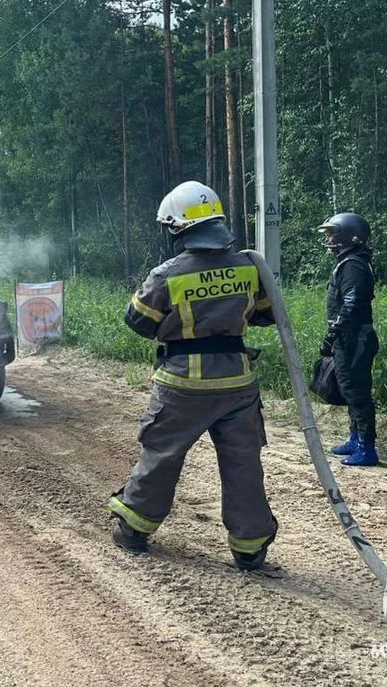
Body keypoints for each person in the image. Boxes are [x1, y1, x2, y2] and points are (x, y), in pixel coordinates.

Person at [106, 181, 279, 570]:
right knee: (242, 462)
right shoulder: (249, 267)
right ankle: (250, 546)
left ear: (178, 228)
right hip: (238, 383)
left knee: (163, 454)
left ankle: (134, 527)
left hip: (182, 384)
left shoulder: (167, 273)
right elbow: (268, 315)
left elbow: (138, 321)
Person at [316, 212, 379, 467]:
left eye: (332, 233)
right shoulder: (349, 261)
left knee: (357, 391)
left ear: (347, 235)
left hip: (355, 338)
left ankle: (367, 447)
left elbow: (351, 304)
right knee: (348, 388)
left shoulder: (353, 265)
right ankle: (355, 437)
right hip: (348, 337)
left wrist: (333, 334)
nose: (329, 239)